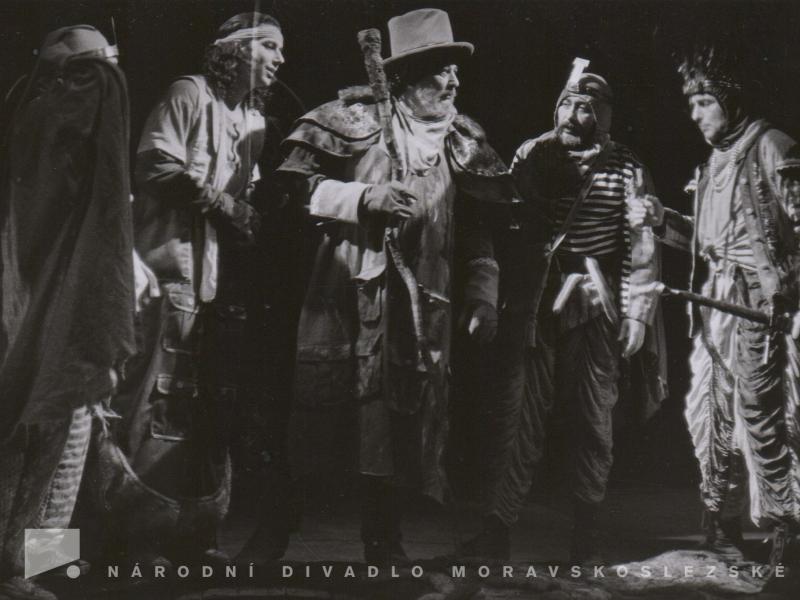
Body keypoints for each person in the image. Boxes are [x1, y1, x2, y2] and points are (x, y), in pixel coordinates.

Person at [277, 8, 513, 565]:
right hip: (345, 294)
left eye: (455, 71)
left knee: (394, 424)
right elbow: (291, 192)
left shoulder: (463, 139)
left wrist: (482, 293)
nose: (453, 82)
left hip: (421, 306)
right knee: (321, 416)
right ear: (405, 75)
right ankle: (273, 531)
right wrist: (364, 198)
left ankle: (383, 542)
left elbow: (478, 230)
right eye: (440, 71)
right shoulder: (351, 120)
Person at [81, 12, 286, 567]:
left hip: (212, 284)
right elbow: (156, 165)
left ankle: (184, 537)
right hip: (162, 273)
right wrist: (226, 207)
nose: (280, 59)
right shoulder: (188, 94)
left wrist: (248, 214)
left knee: (197, 410)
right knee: (148, 403)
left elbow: (245, 198)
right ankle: (117, 543)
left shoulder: (251, 119)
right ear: (234, 51)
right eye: (269, 46)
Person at [459, 63, 666, 563]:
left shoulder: (627, 166)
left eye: (586, 109)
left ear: (603, 116)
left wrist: (636, 313)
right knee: (515, 414)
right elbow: (507, 221)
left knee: (592, 417)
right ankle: (496, 530)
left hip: (594, 304)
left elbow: (641, 244)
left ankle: (585, 537)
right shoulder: (533, 153)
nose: (573, 117)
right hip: (533, 301)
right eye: (567, 105)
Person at [631, 46, 800, 580]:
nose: (696, 114)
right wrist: (661, 219)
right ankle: (723, 529)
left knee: (763, 415)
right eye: (692, 104)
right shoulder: (712, 163)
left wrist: (785, 295)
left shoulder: (770, 147)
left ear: (732, 100)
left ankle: (784, 531)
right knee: (712, 412)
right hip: (715, 303)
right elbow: (708, 241)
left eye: (705, 102)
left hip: (761, 306)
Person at [0, 26, 135, 600]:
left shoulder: (67, 112)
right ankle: (14, 568)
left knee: (73, 428)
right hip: (41, 297)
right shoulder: (53, 116)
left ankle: (44, 561)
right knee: (37, 426)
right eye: (88, 77)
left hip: (71, 295)